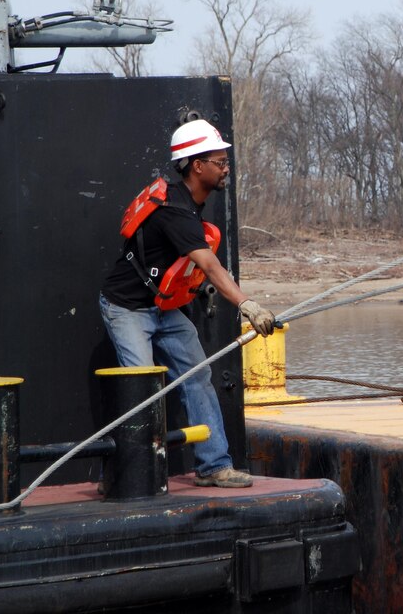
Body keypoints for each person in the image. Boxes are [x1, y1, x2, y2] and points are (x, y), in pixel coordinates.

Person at [99, 118, 277, 487]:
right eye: (219, 161)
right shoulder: (175, 211)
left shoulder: (191, 205)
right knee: (141, 390)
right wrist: (248, 305)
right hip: (126, 309)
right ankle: (122, 475)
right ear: (197, 166)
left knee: (198, 377)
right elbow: (209, 266)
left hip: (162, 309)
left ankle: (214, 466)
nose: (226, 168)